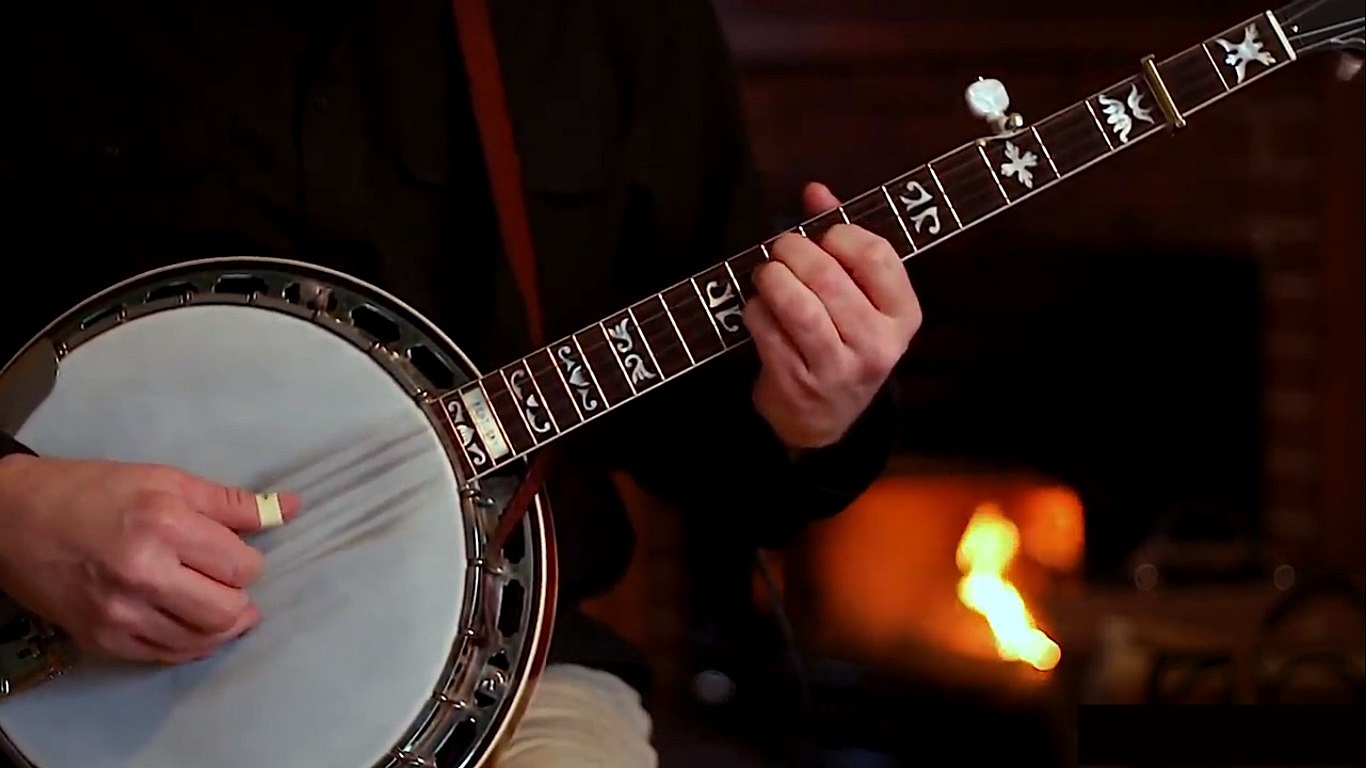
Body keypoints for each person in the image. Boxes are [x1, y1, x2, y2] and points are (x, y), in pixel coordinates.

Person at [0, 1, 920, 765]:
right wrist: (16, 511)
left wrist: (810, 412)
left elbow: (701, 438)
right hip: (45, 662)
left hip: (508, 684)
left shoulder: (617, 25)